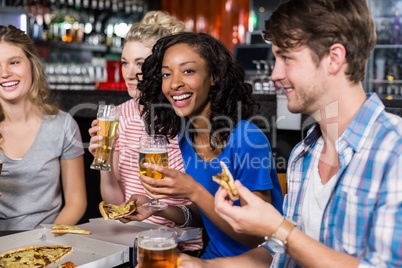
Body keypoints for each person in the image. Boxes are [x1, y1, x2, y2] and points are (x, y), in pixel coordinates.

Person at [177, 0, 402, 267]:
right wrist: (205, 266)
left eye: (286, 58)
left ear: (334, 58)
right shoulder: (303, 155)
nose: (274, 74)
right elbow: (278, 251)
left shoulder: (393, 152)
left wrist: (278, 227)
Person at [137, 31, 283, 259]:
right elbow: (209, 213)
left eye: (188, 71)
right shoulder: (187, 136)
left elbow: (258, 237)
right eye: (167, 74)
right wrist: (157, 207)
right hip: (213, 257)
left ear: (214, 76)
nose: (175, 83)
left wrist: (193, 191)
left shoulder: (247, 139)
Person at [88, 11, 203, 253]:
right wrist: (104, 160)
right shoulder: (117, 115)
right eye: (124, 63)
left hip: (181, 246)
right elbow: (117, 206)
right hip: (129, 242)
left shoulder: (186, 115)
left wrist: (156, 207)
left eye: (140, 63)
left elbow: (200, 212)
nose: (129, 73)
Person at [0, 25, 87, 230]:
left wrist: (43, 243)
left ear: (32, 64)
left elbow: (76, 202)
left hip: (46, 241)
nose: (4, 73)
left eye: (14, 62)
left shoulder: (62, 125)